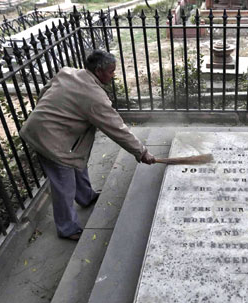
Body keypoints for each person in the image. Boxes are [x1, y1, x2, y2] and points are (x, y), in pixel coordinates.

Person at [20, 49, 155, 241]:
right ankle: (67, 228)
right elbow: (116, 128)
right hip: (49, 140)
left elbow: (44, 92)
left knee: (77, 162)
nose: (113, 75)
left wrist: (55, 113)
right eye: (111, 71)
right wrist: (141, 152)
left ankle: (86, 196)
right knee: (64, 183)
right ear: (99, 71)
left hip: (48, 129)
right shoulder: (94, 97)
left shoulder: (68, 72)